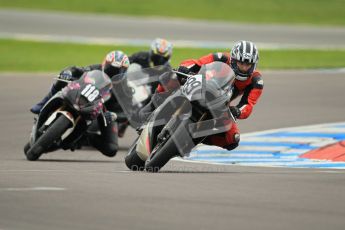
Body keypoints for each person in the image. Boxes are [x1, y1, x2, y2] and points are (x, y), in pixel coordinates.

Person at [141, 40, 263, 151]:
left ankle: (194, 139)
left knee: (233, 140)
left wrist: (238, 111)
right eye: (241, 63)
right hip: (201, 86)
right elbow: (197, 63)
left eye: (248, 65)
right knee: (169, 77)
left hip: (220, 103)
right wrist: (185, 68)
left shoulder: (256, 81)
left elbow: (248, 104)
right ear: (234, 59)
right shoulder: (220, 57)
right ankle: (152, 107)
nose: (244, 68)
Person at [30, 50, 130, 157]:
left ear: (124, 73)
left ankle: (84, 136)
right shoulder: (95, 68)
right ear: (104, 64)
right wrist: (69, 72)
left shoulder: (124, 88)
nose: (112, 74)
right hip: (82, 98)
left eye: (118, 72)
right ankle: (43, 103)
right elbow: (78, 70)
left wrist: (114, 115)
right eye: (110, 69)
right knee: (61, 80)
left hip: (103, 112)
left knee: (111, 149)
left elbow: (128, 112)